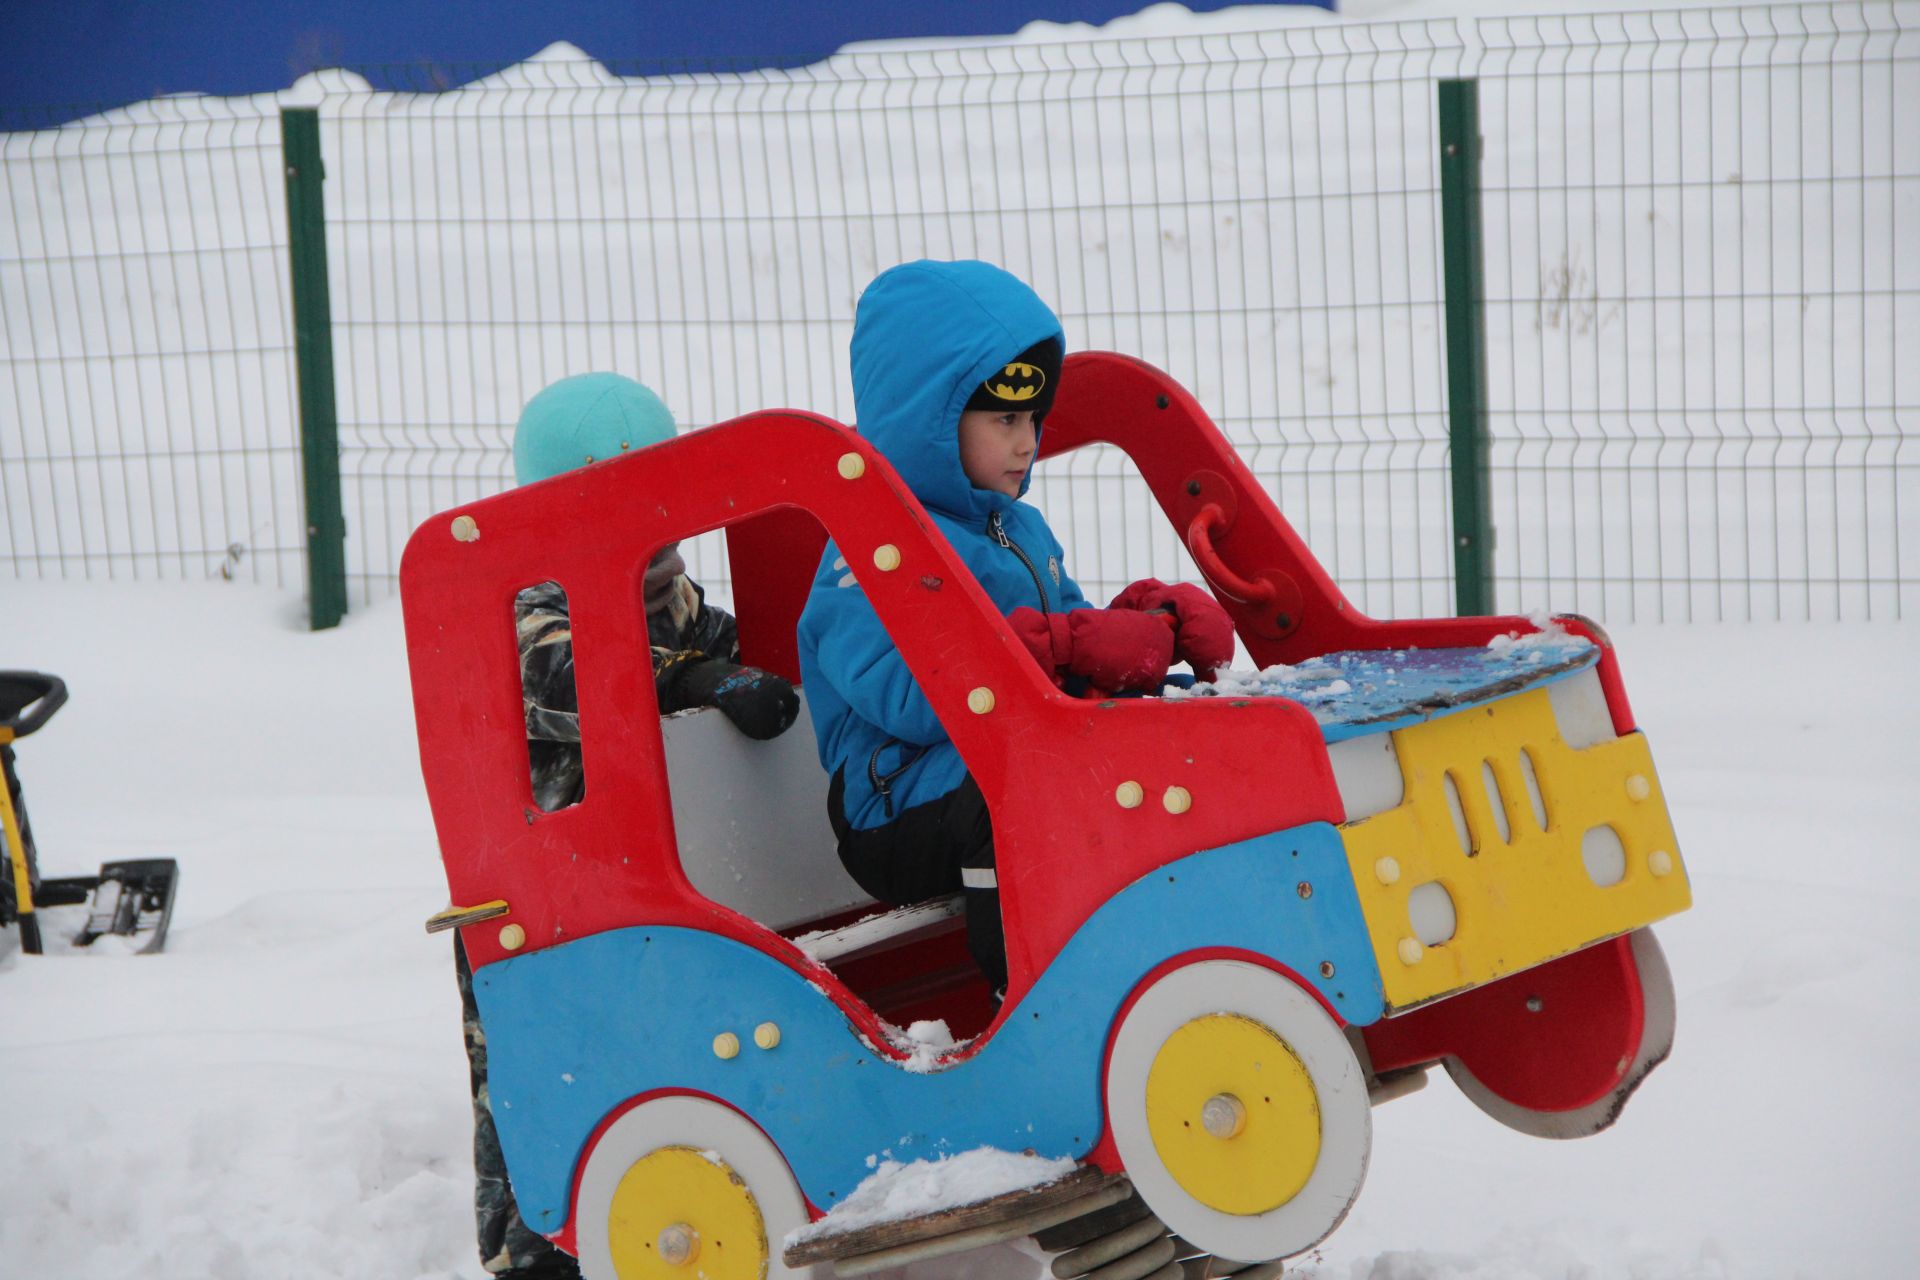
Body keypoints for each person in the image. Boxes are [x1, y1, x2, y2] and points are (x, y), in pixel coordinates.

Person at [796, 261, 1233, 992]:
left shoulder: (1016, 527)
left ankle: (1177, 948)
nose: (1028, 442)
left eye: (1033, 418)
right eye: (1004, 420)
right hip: (892, 805)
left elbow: (1069, 649)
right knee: (1026, 788)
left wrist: (1143, 629)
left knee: (1153, 740)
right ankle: (1036, 995)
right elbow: (911, 699)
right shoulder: (866, 554)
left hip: (1001, 753)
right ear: (928, 419)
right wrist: (1046, 647)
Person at [457, 372, 799, 1279]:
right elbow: (566, 680)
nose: (650, 528)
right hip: (540, 891)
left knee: (673, 1041)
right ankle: (529, 1243)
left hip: (657, 874)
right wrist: (694, 682)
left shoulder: (677, 600)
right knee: (538, 1066)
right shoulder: (521, 605)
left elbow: (722, 644)